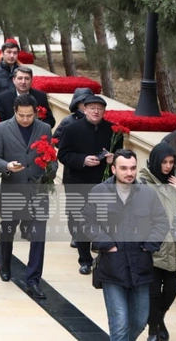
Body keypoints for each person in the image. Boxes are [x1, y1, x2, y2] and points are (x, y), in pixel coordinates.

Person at [83, 149, 169, 341]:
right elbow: (87, 222)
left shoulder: (147, 194)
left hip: (141, 266)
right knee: (119, 324)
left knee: (139, 321)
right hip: (112, 268)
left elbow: (162, 222)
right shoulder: (99, 192)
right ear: (113, 169)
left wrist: (150, 244)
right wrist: (107, 244)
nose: (129, 173)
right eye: (123, 168)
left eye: (132, 168)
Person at [0, 93, 55, 300]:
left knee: (38, 238)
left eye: (29, 116)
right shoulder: (1, 129)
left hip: (38, 191)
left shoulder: (44, 129)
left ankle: (33, 279)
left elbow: (52, 158)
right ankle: (5, 264)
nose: (25, 119)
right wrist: (7, 166)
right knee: (8, 232)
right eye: (21, 115)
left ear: (36, 113)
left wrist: (50, 169)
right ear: (14, 112)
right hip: (12, 189)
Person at [57, 94, 122, 274]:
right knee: (80, 222)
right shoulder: (71, 129)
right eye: (92, 108)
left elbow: (121, 154)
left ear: (104, 111)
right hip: (77, 182)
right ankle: (85, 259)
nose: (96, 111)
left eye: (99, 109)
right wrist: (83, 160)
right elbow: (62, 155)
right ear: (84, 109)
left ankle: (102, 257)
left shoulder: (112, 130)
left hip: (104, 183)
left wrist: (113, 158)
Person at [139, 142, 176, 340]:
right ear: (156, 161)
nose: (168, 166)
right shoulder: (143, 184)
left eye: (171, 162)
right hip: (153, 249)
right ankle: (153, 330)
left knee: (172, 290)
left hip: (175, 248)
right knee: (153, 293)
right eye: (164, 162)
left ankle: (158, 318)